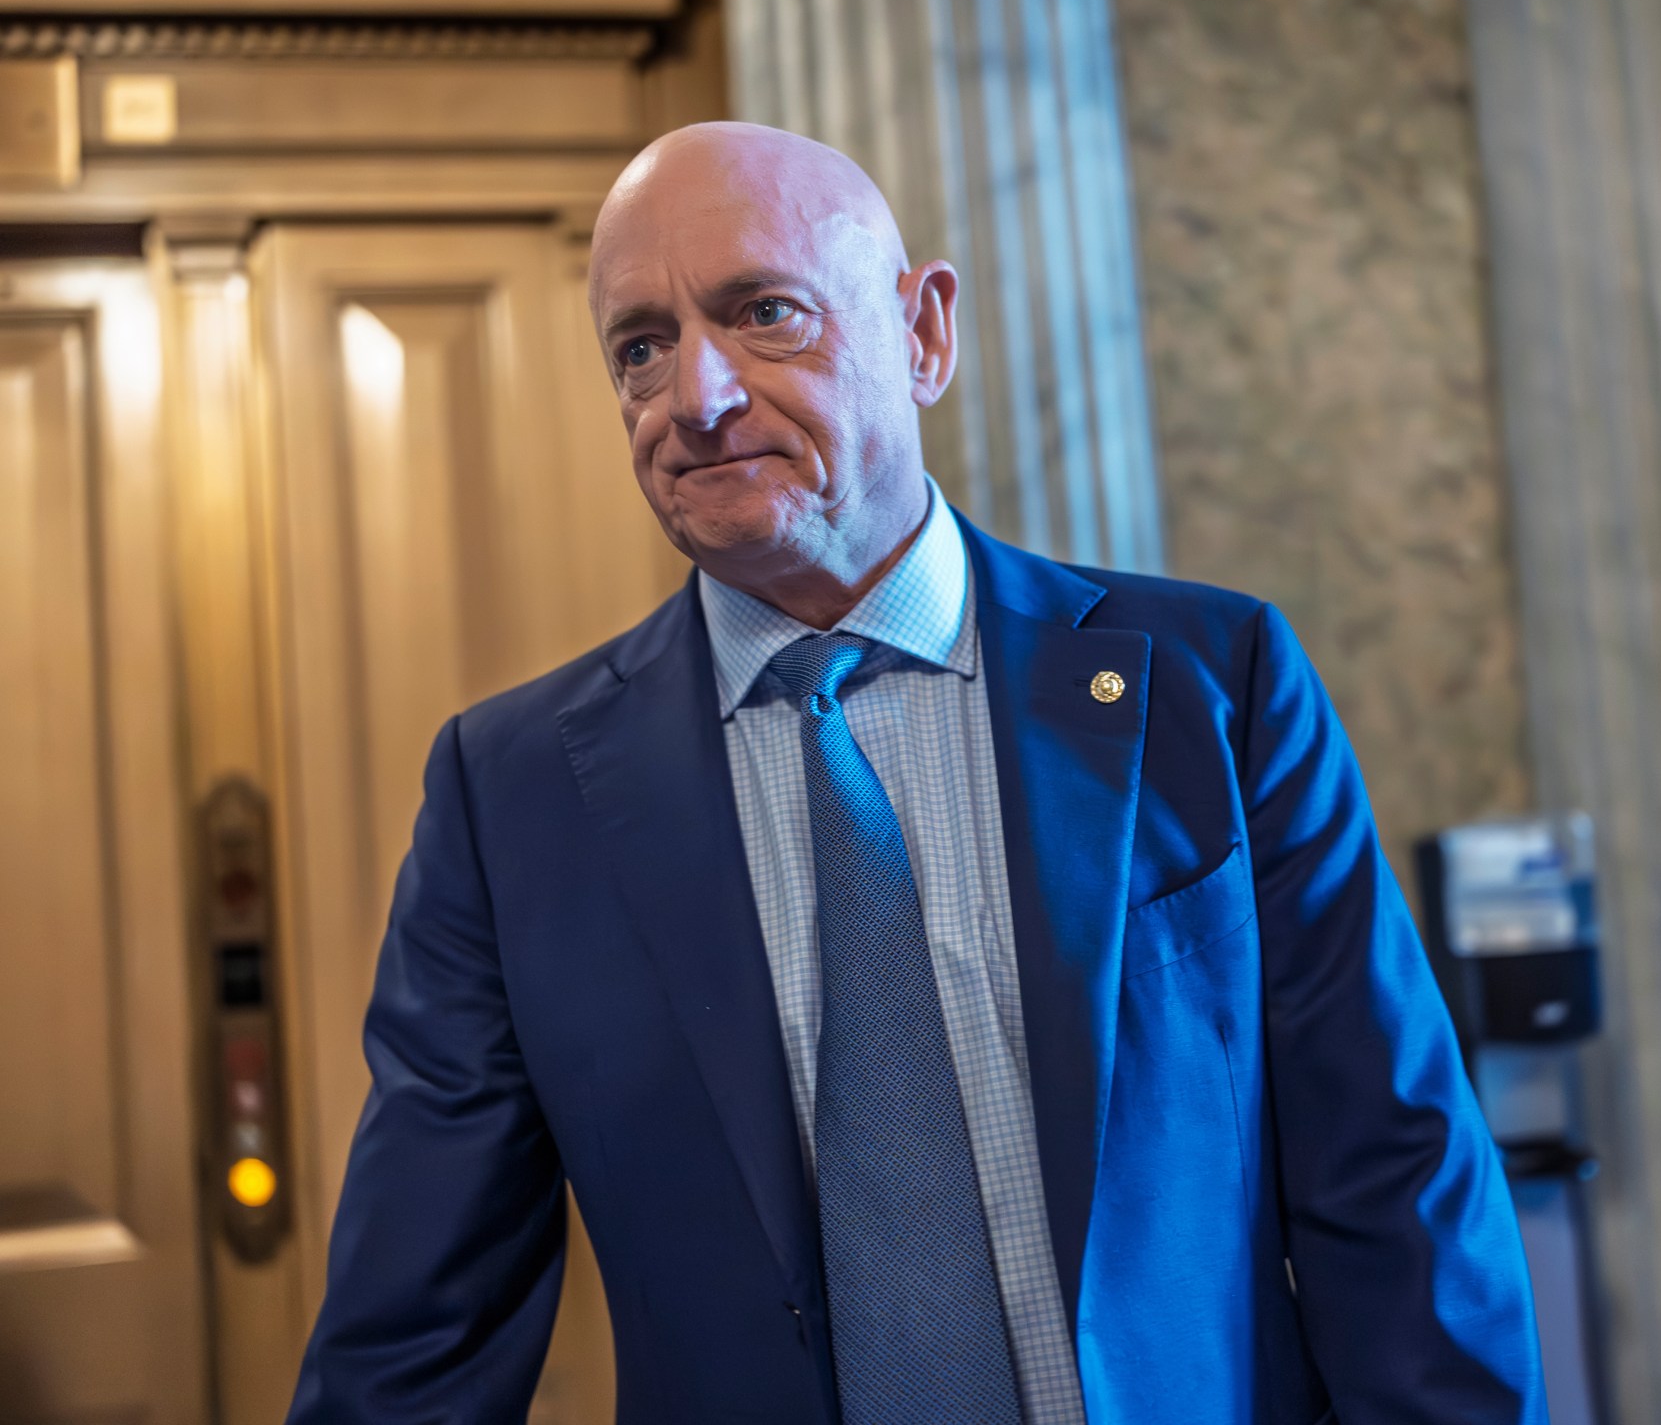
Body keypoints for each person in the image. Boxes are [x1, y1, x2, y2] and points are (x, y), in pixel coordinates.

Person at [289, 121, 1545, 1424]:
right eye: (642, 347)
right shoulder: (513, 797)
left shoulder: (1211, 686)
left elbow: (1395, 1187)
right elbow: (419, 1329)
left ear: (925, 334)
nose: (696, 398)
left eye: (764, 314)